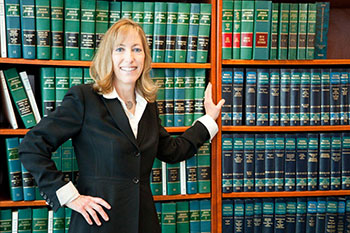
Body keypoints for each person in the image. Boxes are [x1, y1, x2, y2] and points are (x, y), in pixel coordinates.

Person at [19, 18, 225, 233]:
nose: (130, 58)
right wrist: (69, 196)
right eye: (120, 49)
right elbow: (32, 146)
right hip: (99, 224)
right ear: (108, 56)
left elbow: (171, 151)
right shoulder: (85, 99)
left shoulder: (148, 106)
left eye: (137, 49)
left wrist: (209, 119)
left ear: (145, 57)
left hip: (144, 223)